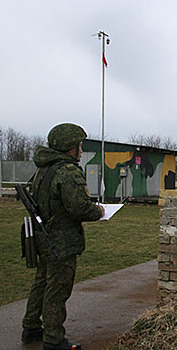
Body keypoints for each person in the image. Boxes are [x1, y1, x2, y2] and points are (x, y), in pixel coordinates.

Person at [21, 123, 105, 350]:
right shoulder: (67, 170)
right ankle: (53, 338)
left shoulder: (44, 168)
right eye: (79, 145)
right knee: (57, 288)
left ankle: (30, 327)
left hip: (44, 236)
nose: (80, 149)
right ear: (70, 148)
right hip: (61, 241)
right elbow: (79, 208)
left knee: (41, 281)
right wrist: (99, 211)